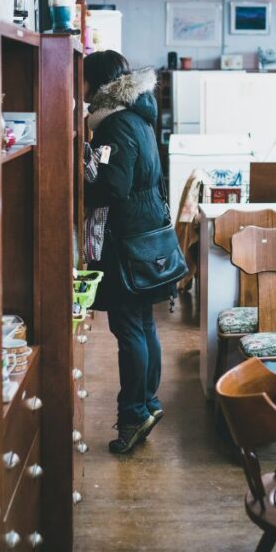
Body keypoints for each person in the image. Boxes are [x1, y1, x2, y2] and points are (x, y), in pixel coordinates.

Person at [82, 50, 174, 455]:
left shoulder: (113, 125)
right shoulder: (139, 117)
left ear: (97, 84)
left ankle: (134, 414)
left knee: (129, 329)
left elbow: (112, 188)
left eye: (83, 82)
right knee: (143, 325)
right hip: (148, 235)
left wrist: (79, 181)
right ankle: (148, 403)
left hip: (126, 240)